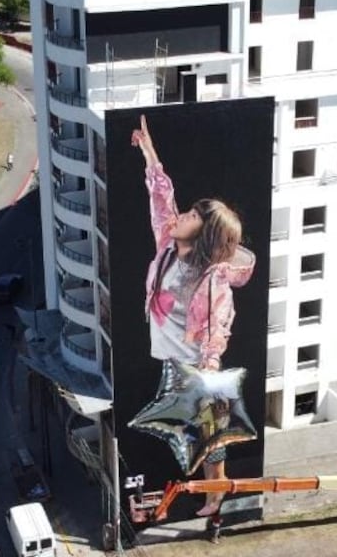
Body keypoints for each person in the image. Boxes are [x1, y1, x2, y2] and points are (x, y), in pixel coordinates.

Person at [132, 114, 255, 516]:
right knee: (193, 431)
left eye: (194, 216)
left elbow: (219, 325)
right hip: (170, 357)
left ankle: (214, 495)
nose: (183, 214)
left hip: (194, 363)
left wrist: (209, 367)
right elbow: (161, 201)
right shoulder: (168, 244)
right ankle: (210, 490)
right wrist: (151, 157)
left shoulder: (211, 277)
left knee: (207, 430)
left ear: (203, 235)